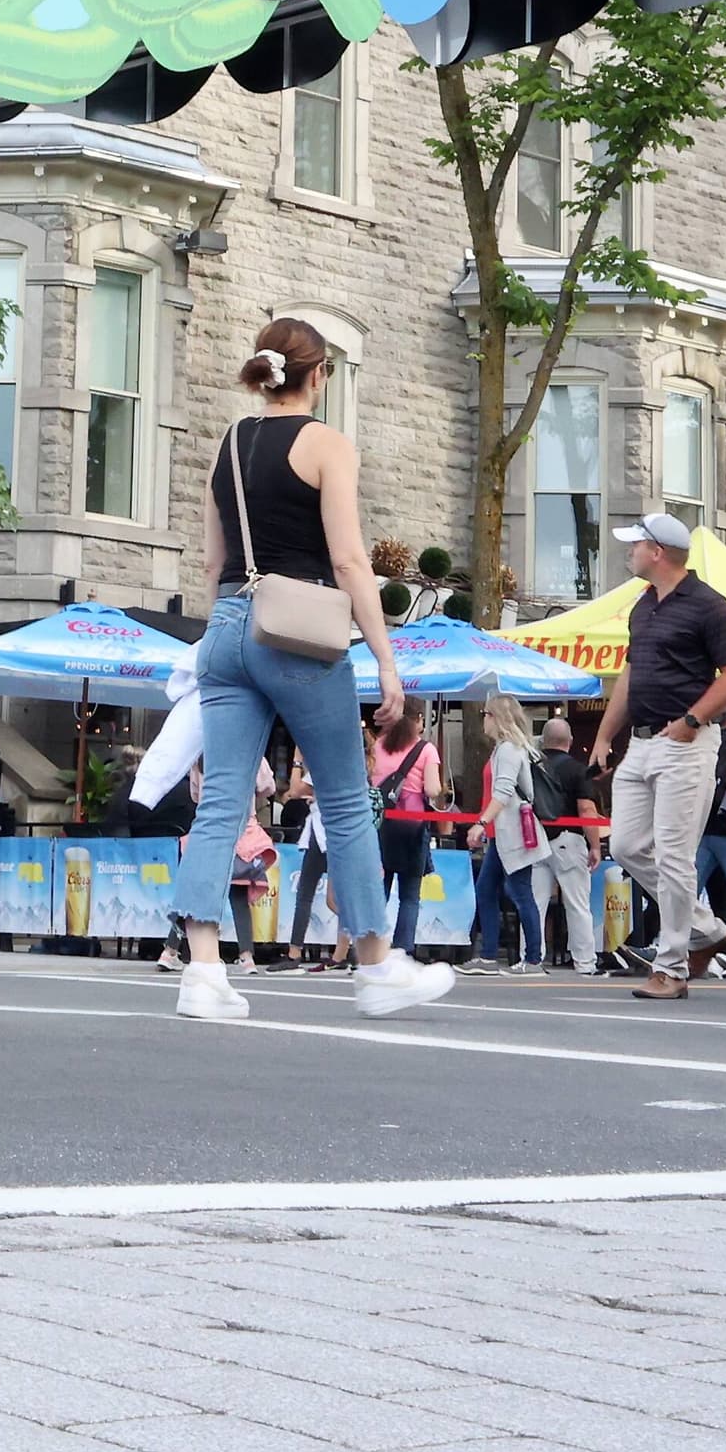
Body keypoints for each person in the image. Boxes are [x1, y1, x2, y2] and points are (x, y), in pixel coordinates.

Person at [166, 317, 454, 1022]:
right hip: (297, 627)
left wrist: (227, 631)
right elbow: (351, 560)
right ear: (318, 374)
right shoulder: (327, 443)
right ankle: (377, 964)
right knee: (347, 797)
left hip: (228, 623)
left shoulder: (228, 444)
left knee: (224, 799)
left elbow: (210, 560)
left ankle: (202, 971)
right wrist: (387, 659)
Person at [590, 510, 726, 1003]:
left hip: (684, 742)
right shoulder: (643, 606)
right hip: (640, 743)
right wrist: (603, 736)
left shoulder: (708, 605)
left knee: (676, 856)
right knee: (628, 846)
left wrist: (693, 721)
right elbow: (631, 674)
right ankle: (706, 929)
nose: (629, 551)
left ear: (657, 552)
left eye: (635, 544)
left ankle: (672, 966)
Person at [469, 698, 540, 972]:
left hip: (512, 830)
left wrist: (481, 821)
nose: (483, 720)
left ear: (496, 717)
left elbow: (504, 790)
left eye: (485, 714)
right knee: (489, 889)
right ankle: (489, 956)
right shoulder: (505, 748)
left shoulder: (509, 749)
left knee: (519, 892)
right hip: (503, 831)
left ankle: (532, 959)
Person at [527, 715, 602, 969]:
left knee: (534, 904)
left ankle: (532, 958)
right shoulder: (578, 769)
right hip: (568, 841)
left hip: (534, 840)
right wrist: (595, 846)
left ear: (543, 741)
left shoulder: (530, 768)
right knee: (578, 904)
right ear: (570, 741)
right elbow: (587, 811)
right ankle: (585, 962)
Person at [368, 700, 442, 952]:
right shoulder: (426, 750)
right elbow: (433, 789)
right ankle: (403, 950)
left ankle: (372, 947)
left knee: (379, 892)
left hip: (380, 826)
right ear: (419, 719)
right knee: (409, 896)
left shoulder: (378, 746)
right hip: (412, 826)